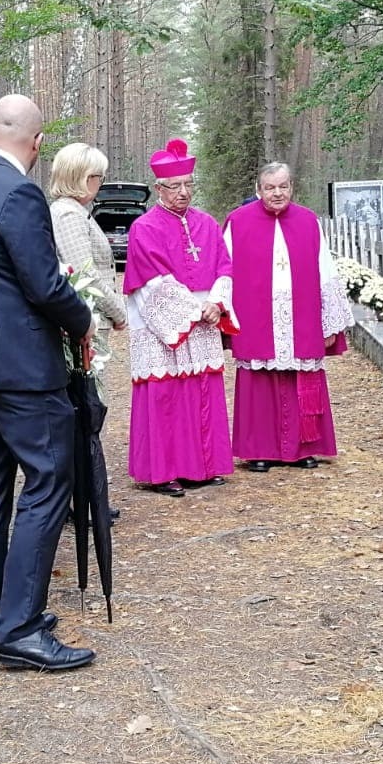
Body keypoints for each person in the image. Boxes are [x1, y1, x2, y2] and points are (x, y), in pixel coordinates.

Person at [0, 94, 97, 672]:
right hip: (20, 368)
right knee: (49, 479)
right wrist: (83, 320)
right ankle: (21, 629)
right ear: (37, 143)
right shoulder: (18, 192)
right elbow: (44, 284)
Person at [122, 138, 236, 497]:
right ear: (159, 188)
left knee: (202, 391)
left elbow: (225, 267)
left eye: (188, 184)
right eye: (175, 186)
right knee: (166, 395)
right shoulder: (144, 228)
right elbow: (149, 281)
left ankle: (203, 466)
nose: (183, 192)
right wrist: (193, 311)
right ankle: (163, 472)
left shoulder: (208, 223)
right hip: (165, 326)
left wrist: (217, 302)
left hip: (205, 319)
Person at [224, 162, 354, 471]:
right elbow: (224, 271)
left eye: (283, 186)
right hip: (256, 317)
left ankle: (302, 448)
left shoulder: (308, 221)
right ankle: (258, 450)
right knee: (259, 385)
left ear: (291, 187)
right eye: (270, 187)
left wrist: (329, 322)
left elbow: (325, 272)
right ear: (259, 190)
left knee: (301, 380)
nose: (277, 193)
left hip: (301, 316)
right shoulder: (238, 221)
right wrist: (224, 315)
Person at [47, 142, 126, 521]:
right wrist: (118, 310)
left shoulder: (78, 213)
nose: (100, 182)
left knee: (90, 409)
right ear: (80, 177)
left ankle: (83, 495)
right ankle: (80, 500)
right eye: (97, 176)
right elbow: (85, 274)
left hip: (88, 324)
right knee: (87, 409)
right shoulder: (67, 215)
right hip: (83, 327)